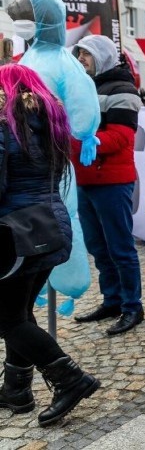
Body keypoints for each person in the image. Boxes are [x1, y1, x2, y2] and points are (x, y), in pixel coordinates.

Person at [0, 64, 100, 426]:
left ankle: (70, 379)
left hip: (15, 232)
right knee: (20, 312)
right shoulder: (49, 121)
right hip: (47, 226)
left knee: (8, 318)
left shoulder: (6, 125)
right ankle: (17, 390)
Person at [70, 35, 144, 336]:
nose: (81, 59)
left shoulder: (122, 89)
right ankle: (112, 300)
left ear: (101, 56)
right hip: (85, 180)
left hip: (112, 182)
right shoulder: (83, 86)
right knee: (98, 247)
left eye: (86, 54)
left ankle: (132, 306)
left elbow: (122, 137)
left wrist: (82, 141)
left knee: (120, 248)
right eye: (79, 54)